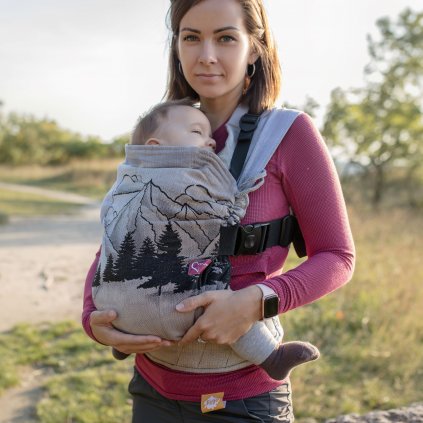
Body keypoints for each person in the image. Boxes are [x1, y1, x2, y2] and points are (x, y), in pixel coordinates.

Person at [82, 0, 355, 421]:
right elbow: (119, 235)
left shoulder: (289, 134)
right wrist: (93, 318)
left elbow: (337, 258)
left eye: (226, 38)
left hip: (243, 396)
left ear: (255, 47)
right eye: (191, 37)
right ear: (177, 47)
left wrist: (256, 302)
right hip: (153, 389)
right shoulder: (160, 129)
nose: (206, 55)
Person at [94, 98, 319, 381]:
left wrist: (103, 319)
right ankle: (271, 356)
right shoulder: (190, 178)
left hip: (117, 310)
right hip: (166, 348)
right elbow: (220, 211)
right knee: (210, 302)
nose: (211, 142)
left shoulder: (126, 178)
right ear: (154, 148)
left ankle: (131, 329)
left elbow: (111, 229)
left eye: (211, 136)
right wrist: (237, 201)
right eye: (197, 133)